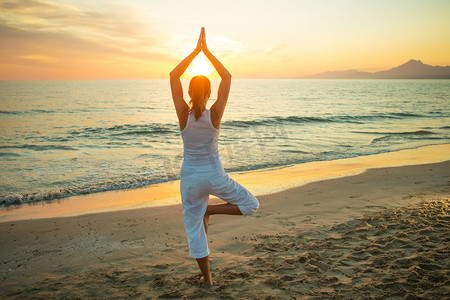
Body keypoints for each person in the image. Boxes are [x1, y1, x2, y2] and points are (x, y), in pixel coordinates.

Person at [169, 27, 259, 286]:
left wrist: (195, 51)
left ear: (188, 94)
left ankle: (208, 280)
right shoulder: (215, 114)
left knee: (195, 232)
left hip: (190, 180)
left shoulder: (183, 115)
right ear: (209, 94)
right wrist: (207, 52)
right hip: (214, 176)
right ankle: (210, 210)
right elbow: (227, 77)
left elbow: (173, 75)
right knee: (250, 204)